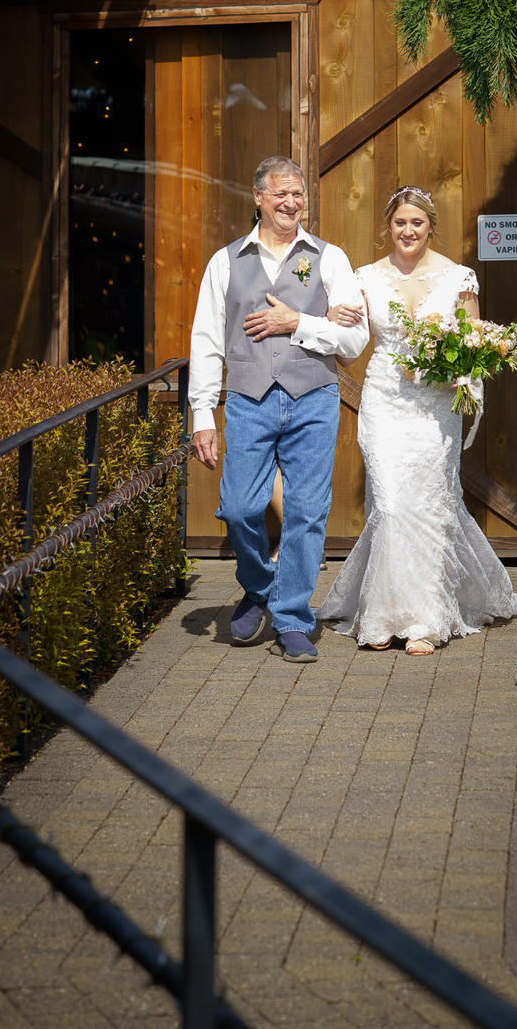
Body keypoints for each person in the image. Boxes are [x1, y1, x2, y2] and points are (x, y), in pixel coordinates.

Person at [317, 186, 517, 654]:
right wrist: (327, 319)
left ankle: (426, 620)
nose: (407, 231)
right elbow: (349, 349)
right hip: (385, 398)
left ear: (430, 226)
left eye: (417, 223)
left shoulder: (459, 277)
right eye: (399, 223)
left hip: (434, 407)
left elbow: (476, 344)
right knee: (389, 505)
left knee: (428, 504)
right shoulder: (365, 277)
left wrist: (462, 377)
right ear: (387, 227)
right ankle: (384, 614)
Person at [188, 155, 367, 662]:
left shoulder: (329, 258)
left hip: (314, 397)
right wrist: (203, 415)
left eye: (299, 193)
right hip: (248, 400)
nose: (292, 202)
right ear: (258, 197)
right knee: (240, 506)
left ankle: (292, 617)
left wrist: (300, 323)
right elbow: (205, 343)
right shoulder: (225, 262)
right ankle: (259, 586)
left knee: (307, 513)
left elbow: (355, 338)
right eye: (281, 194)